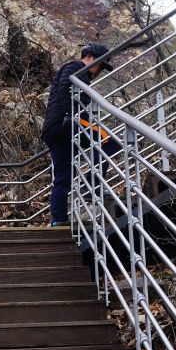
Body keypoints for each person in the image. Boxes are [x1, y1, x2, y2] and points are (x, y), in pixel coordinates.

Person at [42, 43, 117, 227]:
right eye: (101, 65)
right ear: (90, 56)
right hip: (67, 122)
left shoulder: (77, 71)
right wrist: (70, 115)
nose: (99, 71)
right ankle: (91, 186)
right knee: (110, 141)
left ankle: (59, 219)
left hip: (53, 127)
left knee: (64, 176)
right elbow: (65, 87)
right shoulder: (75, 67)